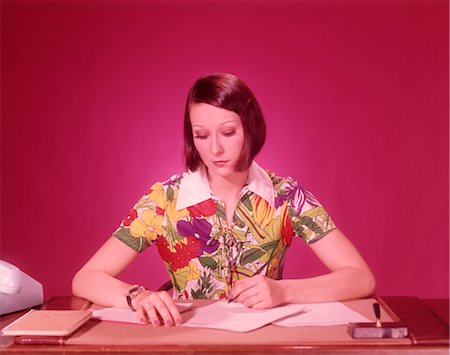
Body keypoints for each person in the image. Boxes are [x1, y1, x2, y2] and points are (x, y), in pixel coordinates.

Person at [72, 73, 376, 328]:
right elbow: (86, 279)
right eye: (201, 135)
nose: (215, 148)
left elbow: (360, 278)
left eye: (228, 132)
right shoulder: (165, 200)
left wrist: (284, 291)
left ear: (250, 128)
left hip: (265, 344)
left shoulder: (287, 196)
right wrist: (136, 296)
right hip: (186, 342)